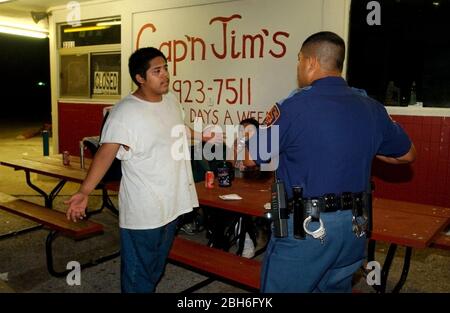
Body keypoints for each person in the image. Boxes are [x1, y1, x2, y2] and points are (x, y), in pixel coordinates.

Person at [240, 31, 416, 292]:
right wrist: (365, 144)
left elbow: (251, 158)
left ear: (310, 61)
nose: (298, 67)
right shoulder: (371, 107)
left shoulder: (292, 107)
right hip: (354, 227)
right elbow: (407, 154)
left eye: (299, 60)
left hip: (306, 229)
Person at [65, 47, 200, 293]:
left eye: (166, 68)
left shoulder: (170, 100)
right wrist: (84, 191)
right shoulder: (125, 112)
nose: (165, 75)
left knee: (155, 266)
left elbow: (180, 128)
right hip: (144, 208)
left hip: (173, 202)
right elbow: (106, 152)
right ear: (140, 78)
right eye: (157, 71)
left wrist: (208, 137)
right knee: (139, 274)